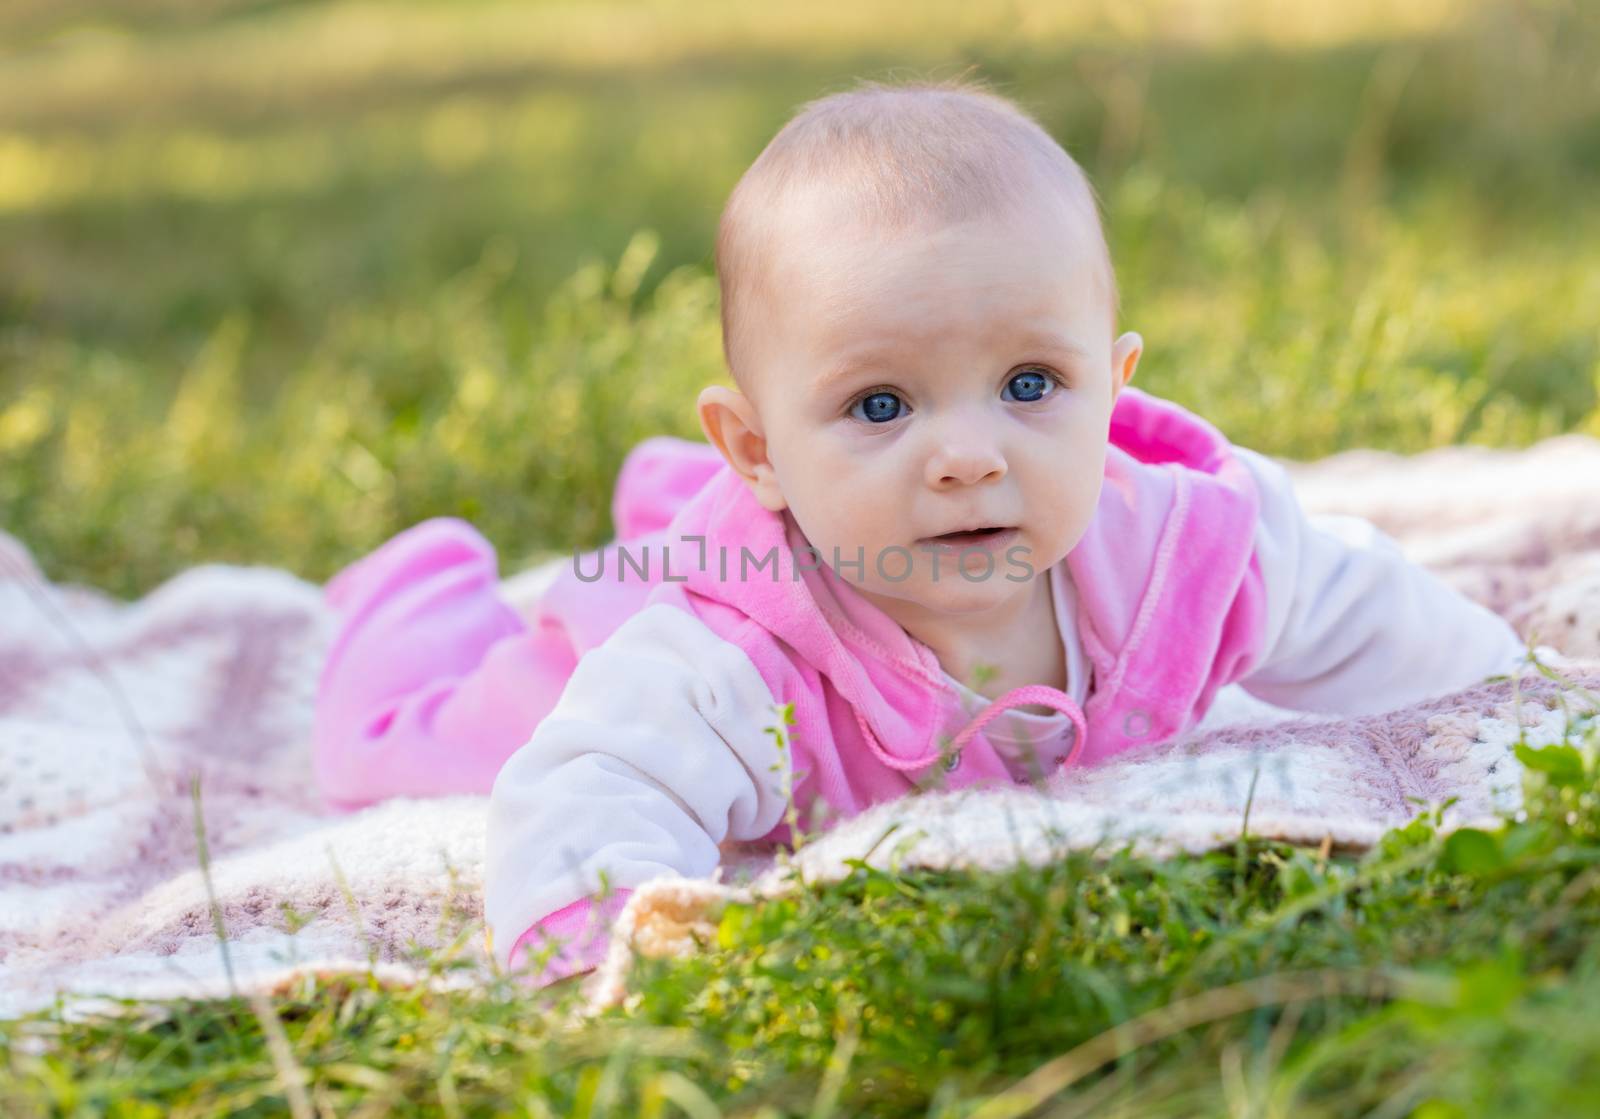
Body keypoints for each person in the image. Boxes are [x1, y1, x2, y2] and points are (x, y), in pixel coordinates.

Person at [312, 78, 1528, 989]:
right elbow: (591, 787)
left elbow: (1368, 609)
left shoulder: (1179, 560)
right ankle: (412, 585)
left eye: (1030, 385)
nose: (968, 453)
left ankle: (724, 474)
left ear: (1113, 387)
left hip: (804, 508)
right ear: (760, 447)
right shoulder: (725, 661)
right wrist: (613, 952)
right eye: (881, 405)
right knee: (412, 741)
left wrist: (1519, 709)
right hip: (692, 595)